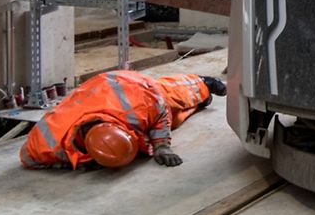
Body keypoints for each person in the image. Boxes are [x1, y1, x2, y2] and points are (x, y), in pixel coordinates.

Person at [19, 69, 227, 170]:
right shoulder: (47, 141)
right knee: (176, 120)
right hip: (97, 99)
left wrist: (162, 145)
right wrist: (66, 164)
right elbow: (27, 158)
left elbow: (160, 111)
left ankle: (203, 83)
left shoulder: (137, 104)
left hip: (126, 84)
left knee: (173, 96)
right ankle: (201, 103)